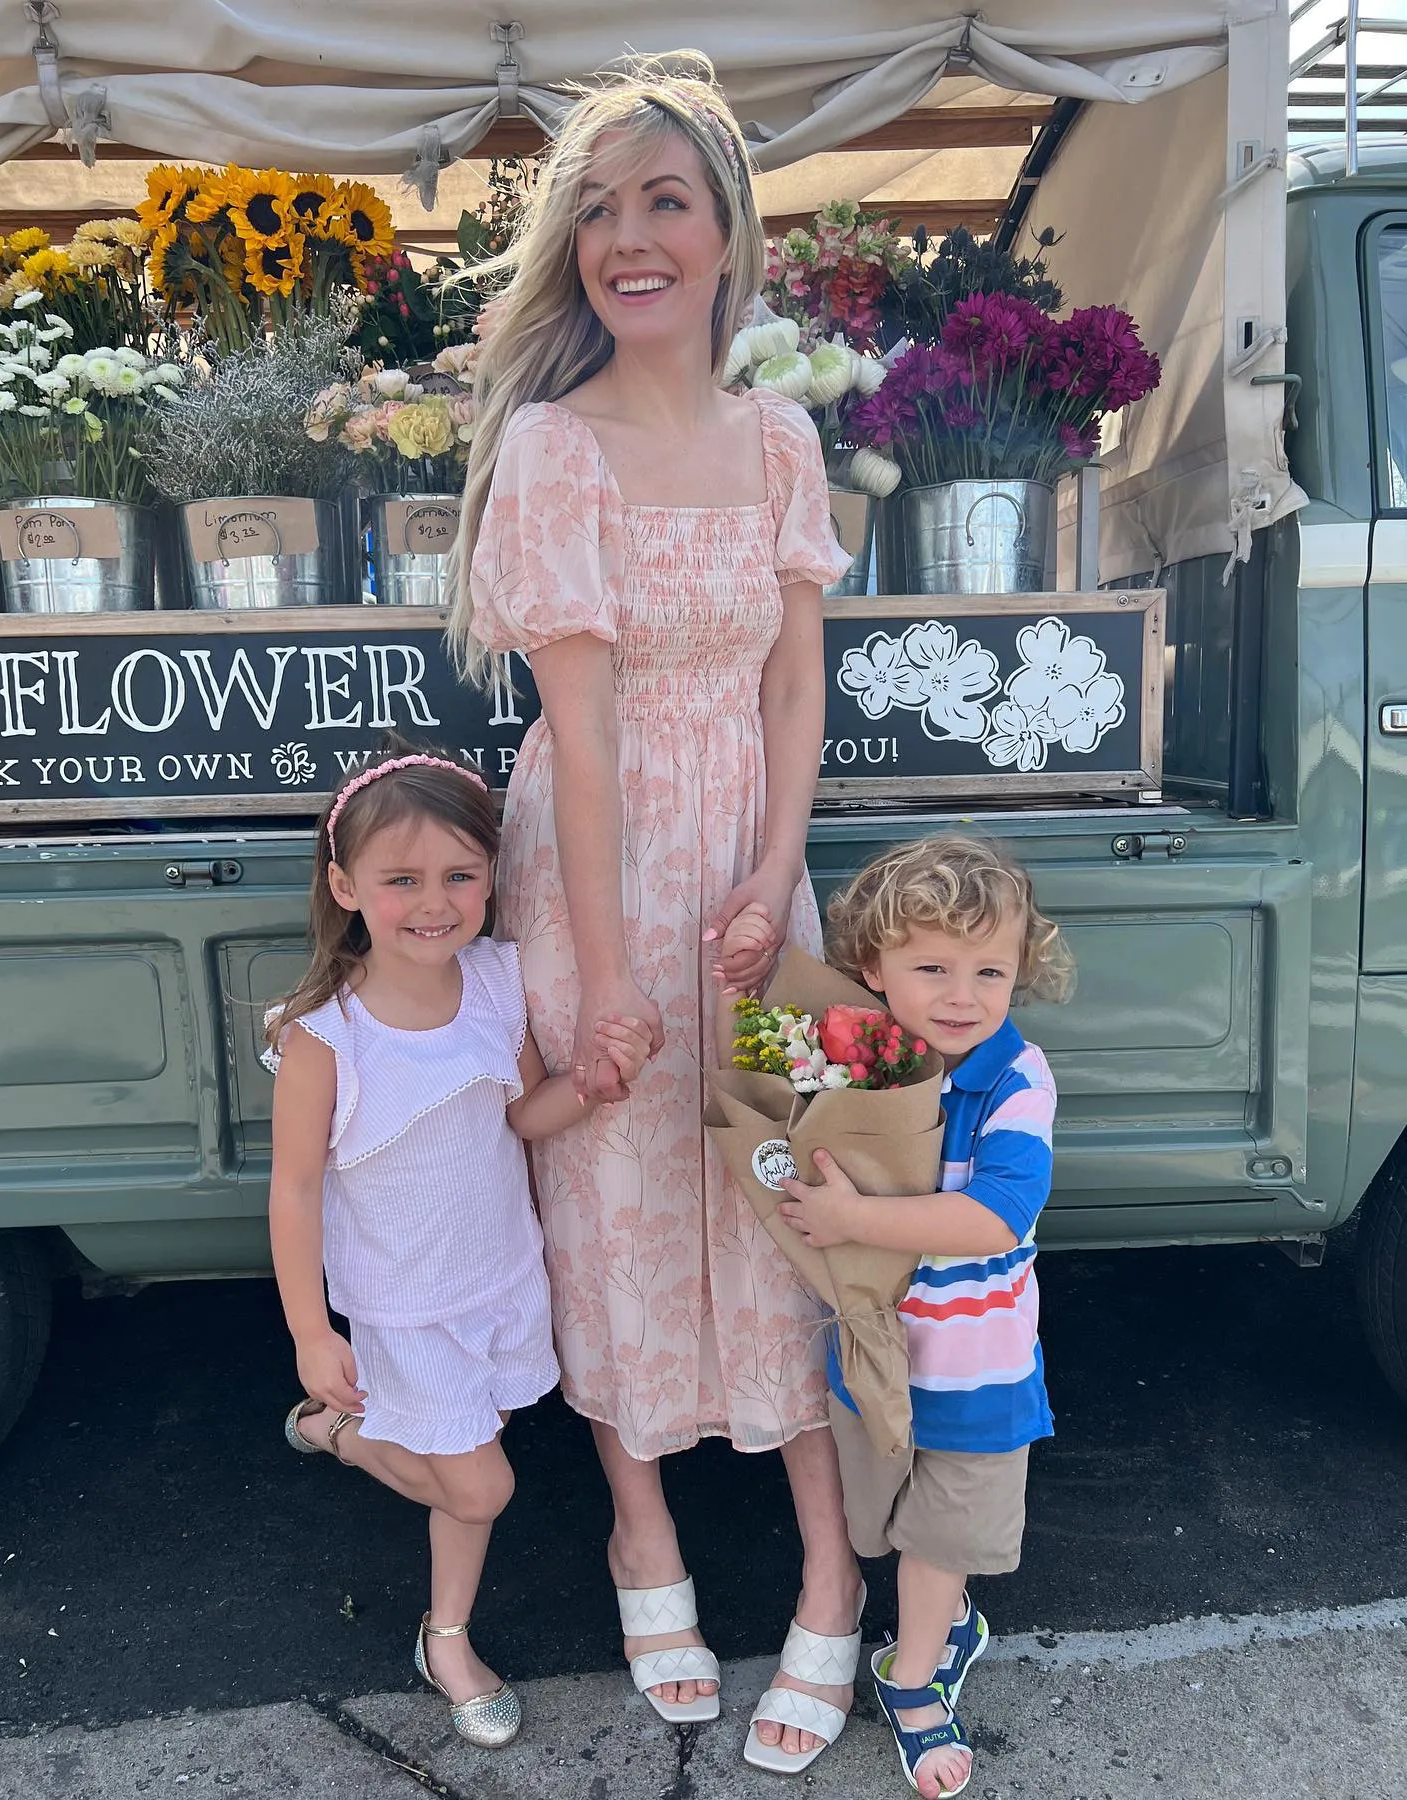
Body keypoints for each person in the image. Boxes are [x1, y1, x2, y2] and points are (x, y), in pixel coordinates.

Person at [450, 52, 863, 1773]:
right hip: (597, 870)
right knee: (613, 1183)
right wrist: (608, 978)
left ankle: (834, 1573)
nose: (629, 237)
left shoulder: (782, 438)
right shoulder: (554, 449)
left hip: (755, 870)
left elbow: (794, 686)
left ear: (726, 235)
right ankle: (643, 1537)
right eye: (599, 209)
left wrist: (774, 873)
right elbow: (585, 724)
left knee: (788, 1190)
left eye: (664, 202)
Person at [264, 743, 651, 1751]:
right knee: (481, 1485)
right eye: (401, 880)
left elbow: (524, 1113)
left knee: (469, 1465)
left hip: (499, 1277)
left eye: (458, 876)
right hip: (403, 1305)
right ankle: (358, 1462)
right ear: (346, 887)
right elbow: (294, 1191)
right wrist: (310, 1332)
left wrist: (594, 1086)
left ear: (489, 878)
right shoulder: (326, 1035)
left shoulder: (490, 981)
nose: (433, 902)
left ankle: (429, 1603)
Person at [776, 835, 1074, 1799]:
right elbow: (776, 1109)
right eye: (932, 968)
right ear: (874, 969)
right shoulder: (856, 1056)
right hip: (877, 1353)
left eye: (989, 970)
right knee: (887, 1524)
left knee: (942, 1536)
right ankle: (948, 1625)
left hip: (981, 1364)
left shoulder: (1017, 1078)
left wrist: (855, 1220)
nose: (962, 995)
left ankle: (911, 1683)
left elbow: (997, 1215)